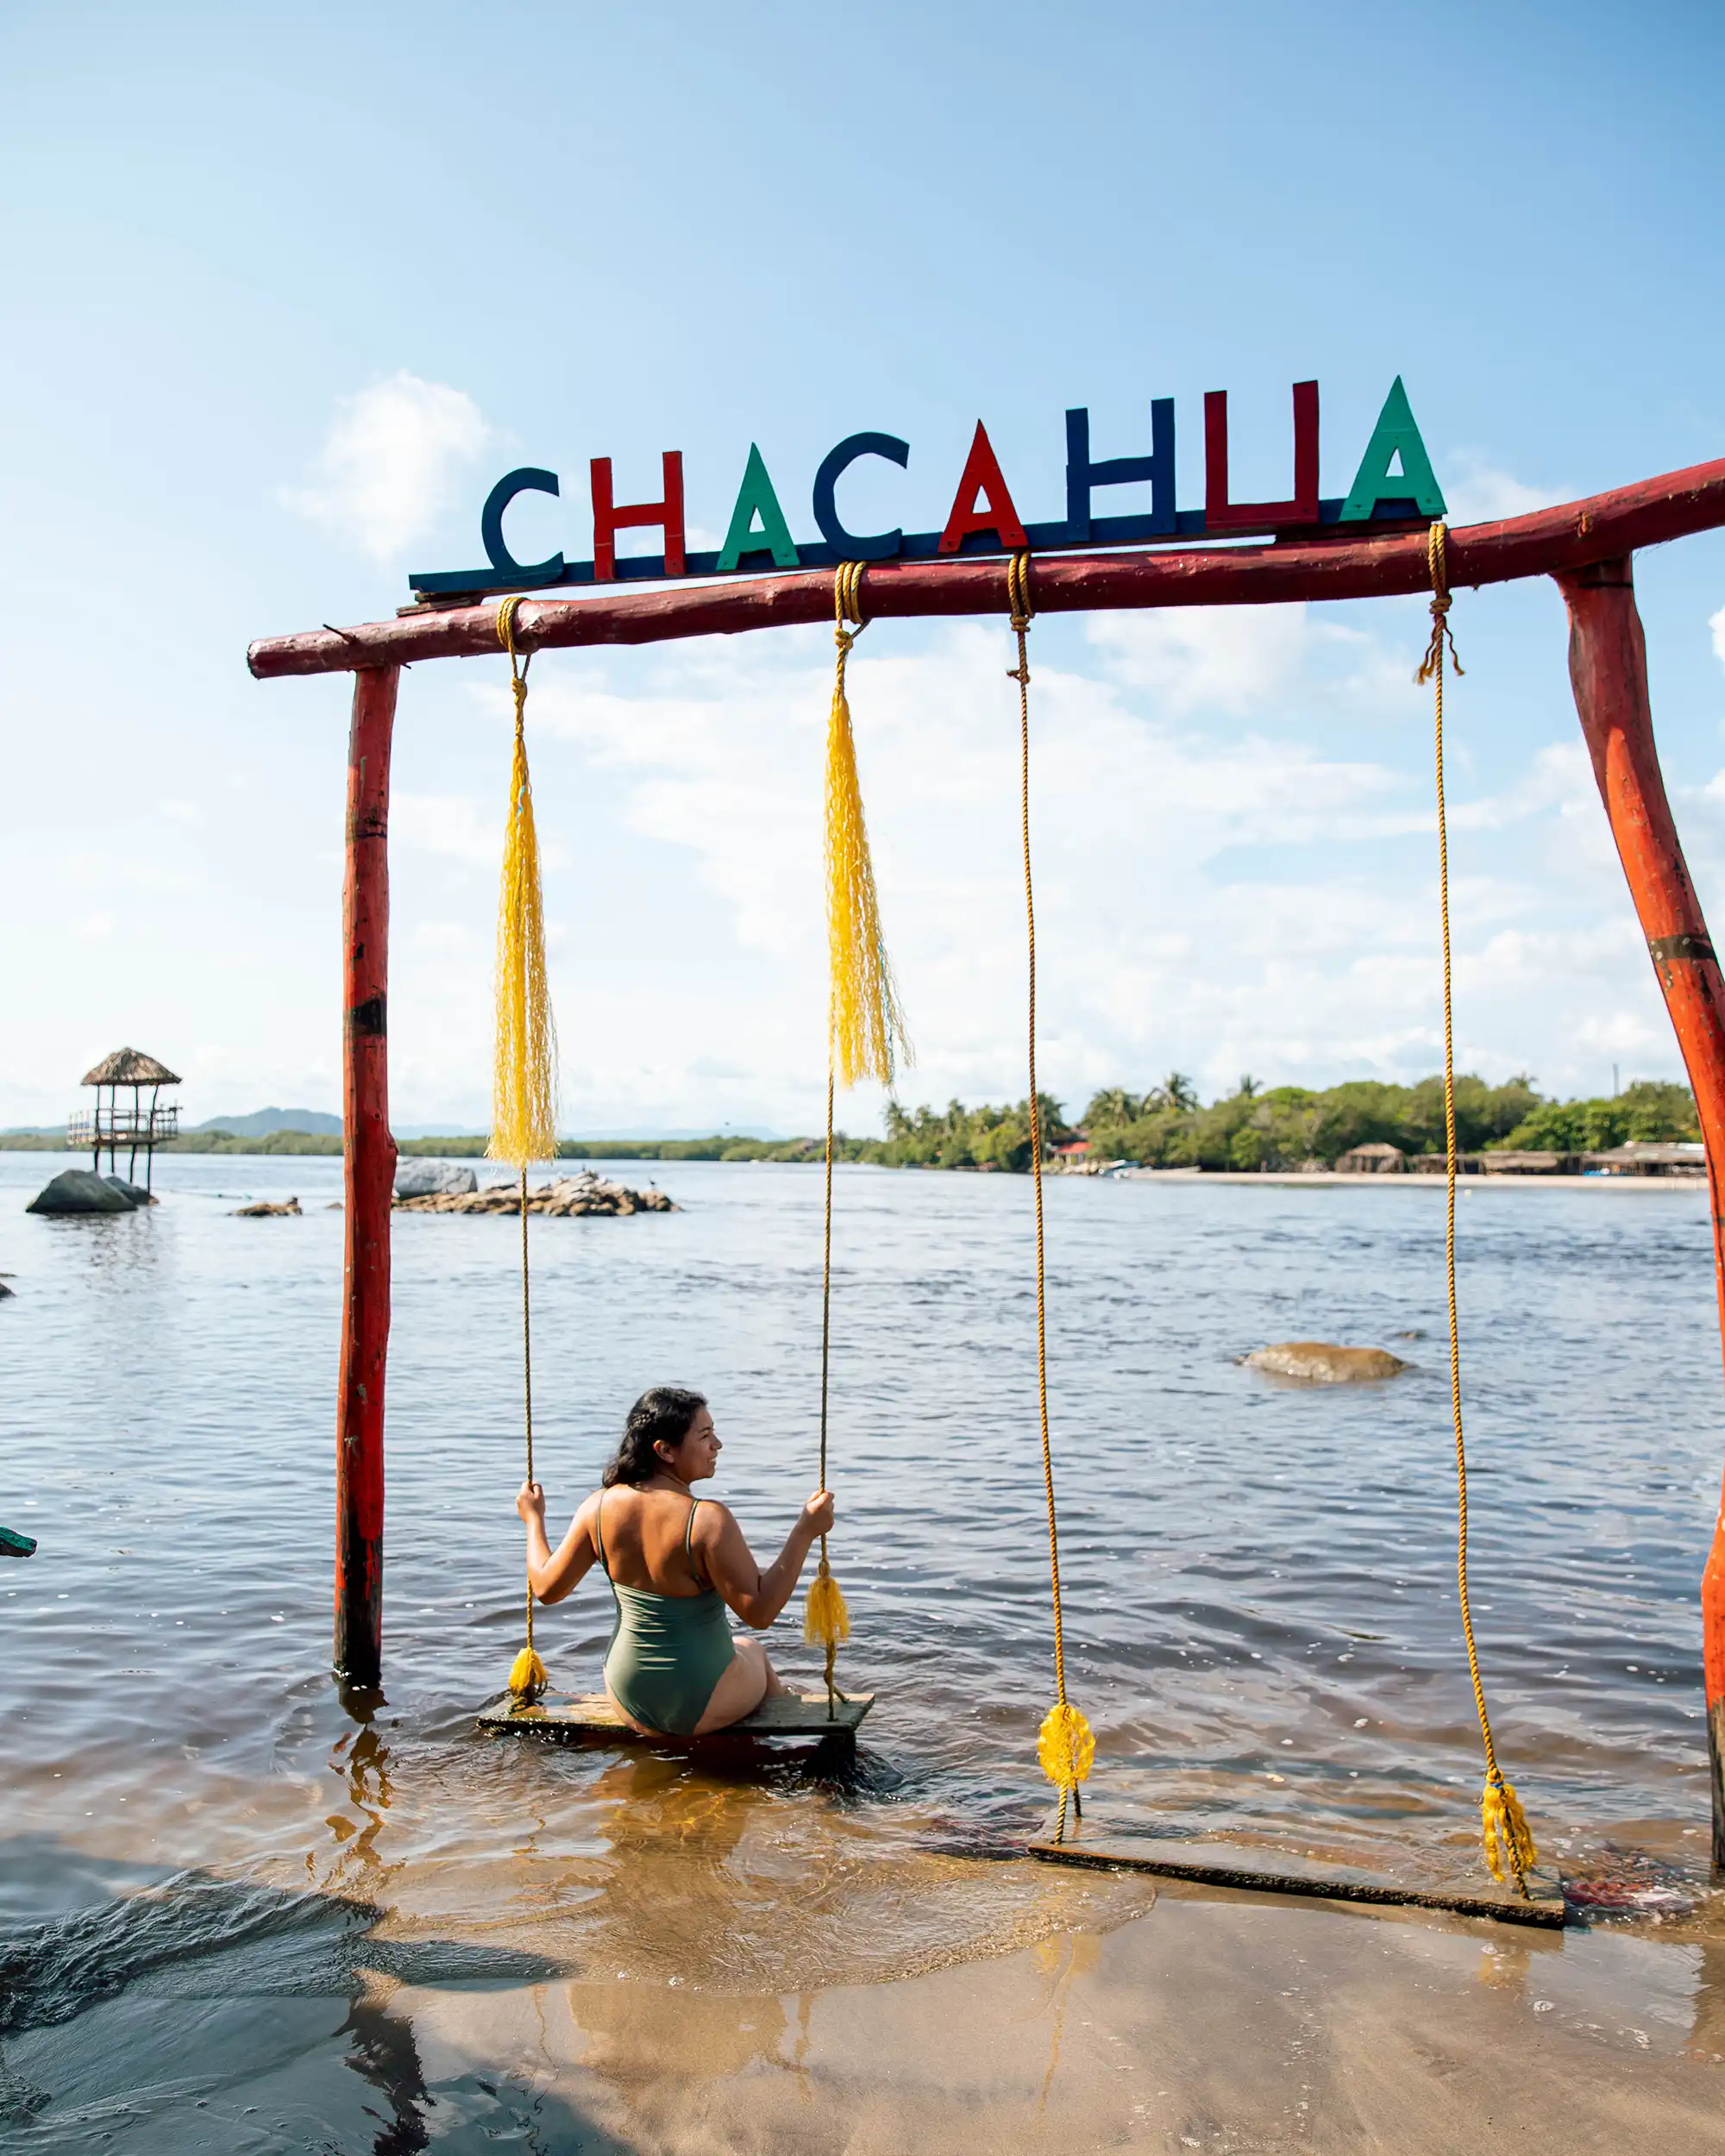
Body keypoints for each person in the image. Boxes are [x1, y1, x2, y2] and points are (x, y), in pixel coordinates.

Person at [515, 1386, 834, 1739]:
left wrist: (534, 1520)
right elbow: (759, 1613)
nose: (718, 1445)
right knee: (752, 1651)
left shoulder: (598, 1507)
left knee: (738, 1654)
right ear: (665, 1451)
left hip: (627, 1694)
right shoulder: (706, 1521)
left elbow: (545, 1588)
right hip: (697, 1701)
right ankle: (773, 1759)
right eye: (706, 1435)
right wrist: (804, 1531)